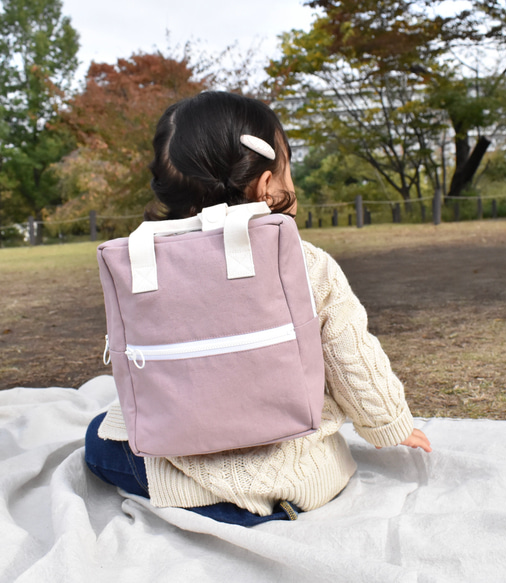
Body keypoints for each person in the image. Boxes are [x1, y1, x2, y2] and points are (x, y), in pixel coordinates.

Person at [85, 91, 431, 527]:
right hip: (304, 473)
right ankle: (273, 494)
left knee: (99, 433)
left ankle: (211, 498)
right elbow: (350, 354)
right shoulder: (308, 264)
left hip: (190, 477)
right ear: (267, 187)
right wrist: (391, 423)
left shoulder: (141, 266)